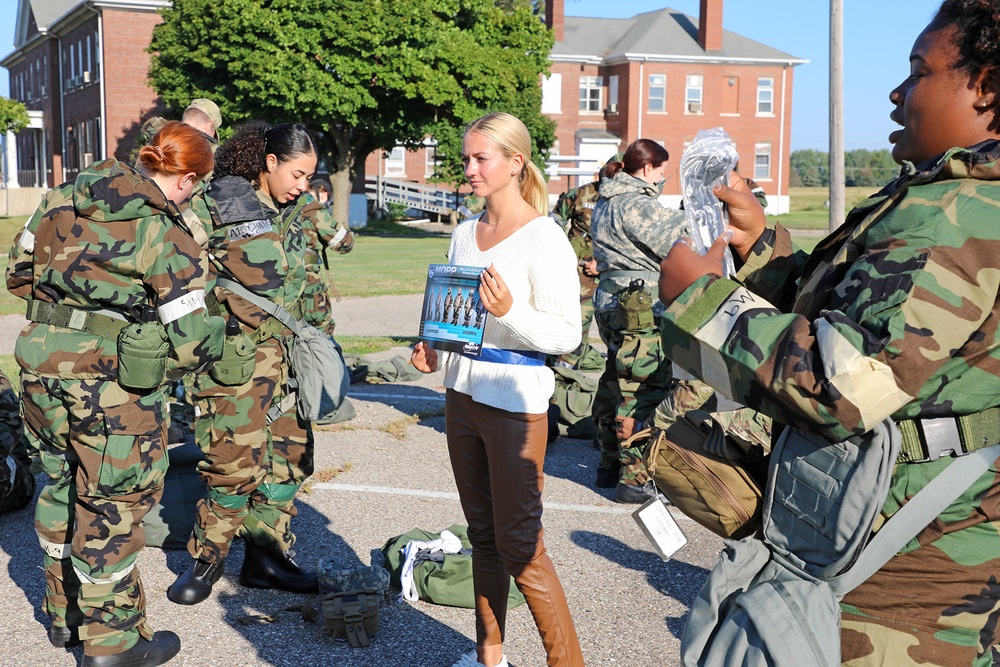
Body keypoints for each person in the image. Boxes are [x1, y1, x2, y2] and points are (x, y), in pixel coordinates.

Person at [659, 1, 1000, 663]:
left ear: (986, 87)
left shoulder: (951, 216)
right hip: (936, 555)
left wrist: (697, 298)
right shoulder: (965, 201)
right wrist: (761, 246)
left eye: (918, 71)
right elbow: (862, 321)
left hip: (893, 590)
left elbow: (841, 387)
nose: (898, 92)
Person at [7, 120, 224, 666]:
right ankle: (116, 643)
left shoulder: (60, 198)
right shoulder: (161, 227)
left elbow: (17, 276)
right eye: (197, 186)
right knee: (114, 505)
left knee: (58, 484)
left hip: (39, 366)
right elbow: (193, 339)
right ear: (187, 178)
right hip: (111, 387)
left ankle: (66, 618)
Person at [411, 112, 584, 667]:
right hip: (460, 395)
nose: (469, 169)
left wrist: (513, 312)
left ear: (515, 163)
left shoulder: (546, 237)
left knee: (522, 548)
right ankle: (491, 657)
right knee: (482, 536)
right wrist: (431, 344)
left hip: (516, 402)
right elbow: (454, 315)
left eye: (480, 158)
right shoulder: (464, 231)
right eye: (466, 158)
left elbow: (567, 334)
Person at [168, 121, 320, 606]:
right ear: (269, 163)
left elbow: (308, 280)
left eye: (309, 176)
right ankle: (207, 560)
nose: (303, 185)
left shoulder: (297, 212)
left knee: (291, 458)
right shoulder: (217, 203)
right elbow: (179, 273)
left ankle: (266, 559)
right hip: (237, 357)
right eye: (297, 174)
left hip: (290, 357)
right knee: (233, 463)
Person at [589, 139, 689, 503]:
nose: (663, 179)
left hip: (610, 300)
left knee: (616, 379)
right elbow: (677, 238)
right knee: (645, 385)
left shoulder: (606, 199)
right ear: (646, 169)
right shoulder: (635, 203)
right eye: (662, 172)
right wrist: (697, 210)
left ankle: (608, 464)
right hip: (638, 306)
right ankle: (633, 478)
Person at [550, 155, 620, 369]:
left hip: (613, 275)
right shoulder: (582, 194)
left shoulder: (626, 202)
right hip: (578, 274)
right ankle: (562, 374)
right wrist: (563, 255)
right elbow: (554, 224)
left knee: (615, 328)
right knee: (575, 323)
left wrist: (602, 265)